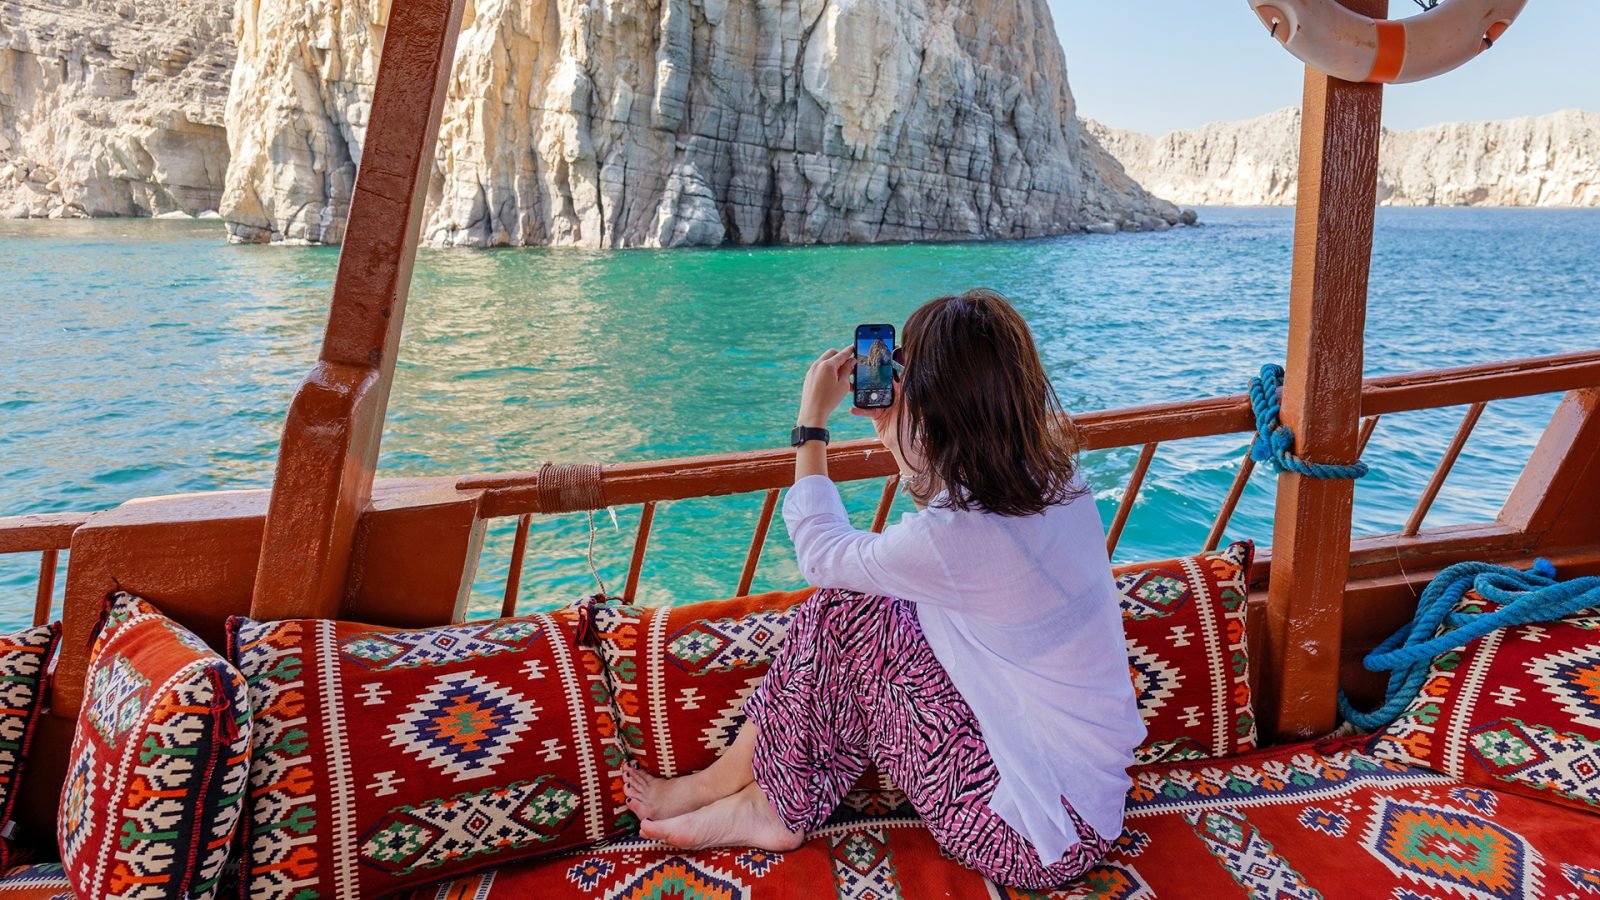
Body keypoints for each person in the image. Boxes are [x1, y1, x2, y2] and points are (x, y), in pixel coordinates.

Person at [623, 288, 1144, 889]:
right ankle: (744, 790)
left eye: (909, 374)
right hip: (1088, 808)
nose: (900, 383)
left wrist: (811, 425)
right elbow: (943, 512)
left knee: (845, 608)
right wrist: (897, 425)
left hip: (1025, 837)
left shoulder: (959, 536)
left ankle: (760, 803)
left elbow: (823, 555)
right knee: (866, 604)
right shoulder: (1056, 478)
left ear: (941, 404)